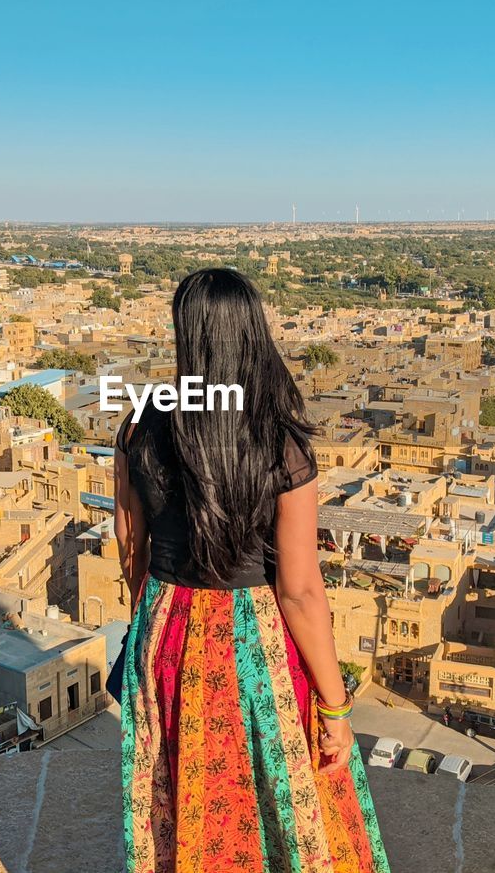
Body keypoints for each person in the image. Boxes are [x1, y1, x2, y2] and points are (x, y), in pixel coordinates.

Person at [116, 268, 390, 872]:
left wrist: (148, 619)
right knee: (277, 796)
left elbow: (128, 540)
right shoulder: (278, 442)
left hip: (165, 628)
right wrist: (336, 707)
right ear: (251, 334)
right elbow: (298, 590)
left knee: (178, 790)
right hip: (252, 641)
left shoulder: (139, 422)